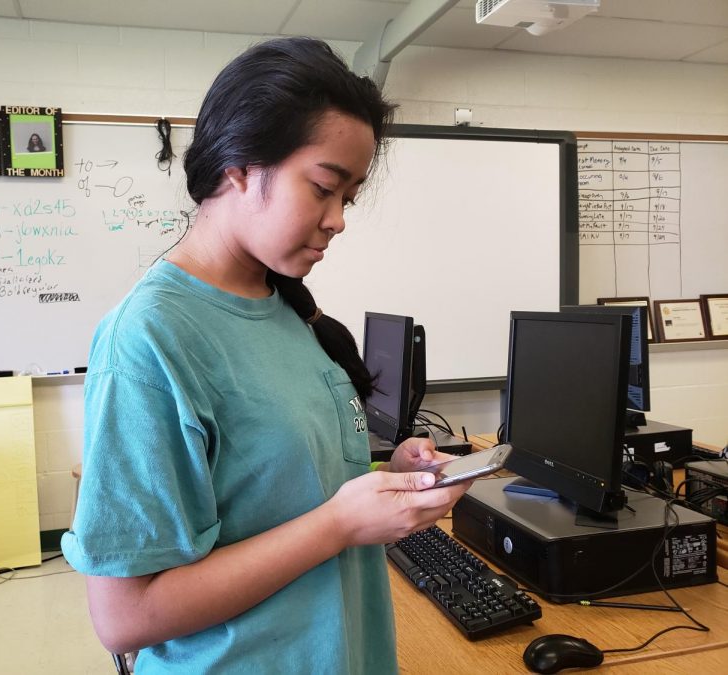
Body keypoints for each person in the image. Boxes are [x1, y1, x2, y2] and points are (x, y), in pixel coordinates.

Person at [62, 37, 472, 674]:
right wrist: (340, 523)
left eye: (350, 199)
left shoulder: (284, 307)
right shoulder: (150, 339)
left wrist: (385, 473)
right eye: (323, 189)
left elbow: (273, 485)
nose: (338, 221)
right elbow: (126, 618)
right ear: (240, 167)